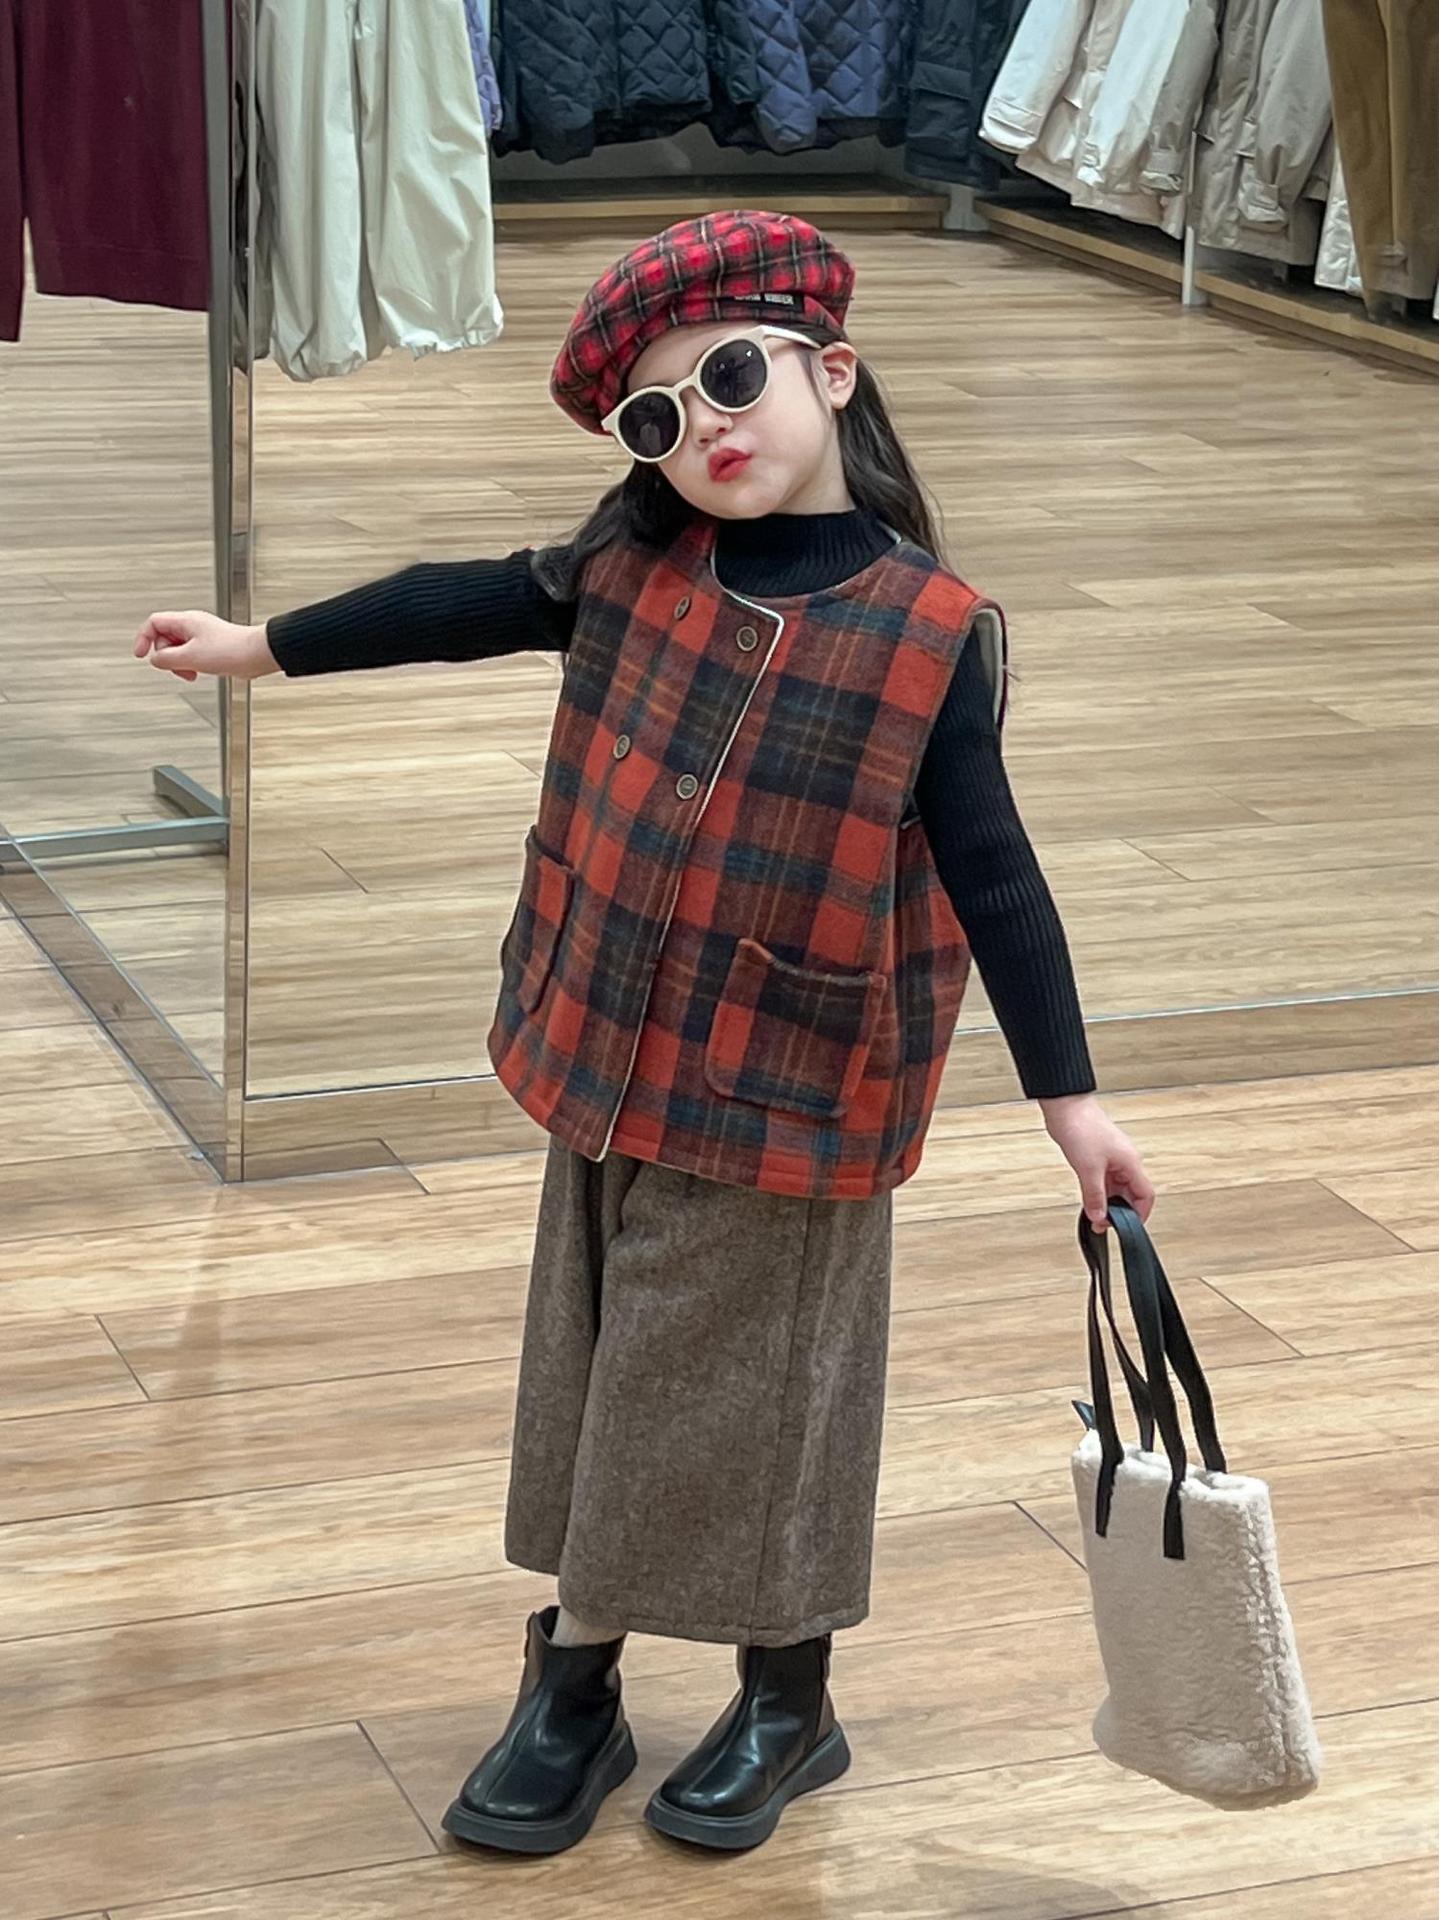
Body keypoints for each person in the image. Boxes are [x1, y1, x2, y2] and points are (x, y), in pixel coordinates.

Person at [134, 210, 1155, 1859]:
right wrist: (263, 646)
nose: (706, 429)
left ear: (833, 371)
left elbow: (996, 872)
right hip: (609, 1051)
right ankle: (591, 1683)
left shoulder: (930, 631)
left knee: (765, 1392)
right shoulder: (630, 570)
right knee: (601, 1364)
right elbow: (460, 600)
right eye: (659, 418)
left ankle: (759, 1694)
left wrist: (1073, 1102)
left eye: (734, 377)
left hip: (797, 1082)